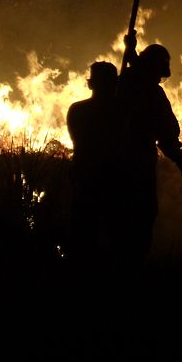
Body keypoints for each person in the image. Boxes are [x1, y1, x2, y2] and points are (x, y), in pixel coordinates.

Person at [115, 36, 182, 271]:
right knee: (140, 220)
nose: (164, 73)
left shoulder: (122, 84)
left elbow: (136, 70)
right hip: (137, 167)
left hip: (111, 164)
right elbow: (167, 140)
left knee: (116, 222)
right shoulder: (150, 93)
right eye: (162, 67)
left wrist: (131, 51)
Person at [66, 61, 122, 273]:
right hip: (110, 180)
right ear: (114, 84)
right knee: (113, 236)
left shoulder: (77, 110)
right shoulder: (120, 113)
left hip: (84, 177)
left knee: (82, 234)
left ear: (90, 84)